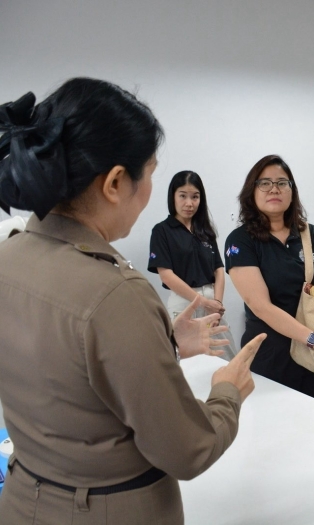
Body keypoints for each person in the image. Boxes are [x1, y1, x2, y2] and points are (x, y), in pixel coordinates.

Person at [0, 78, 264, 524]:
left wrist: (164, 344)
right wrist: (227, 393)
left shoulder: (11, 257)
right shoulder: (115, 293)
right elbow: (187, 449)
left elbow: (61, 368)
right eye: (153, 173)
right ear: (116, 182)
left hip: (26, 497)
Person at [226, 154, 314, 403]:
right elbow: (262, 307)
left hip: (312, 357)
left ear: (292, 191)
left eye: (282, 182)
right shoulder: (240, 241)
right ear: (252, 191)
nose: (274, 189)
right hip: (271, 356)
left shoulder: (308, 233)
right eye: (265, 183)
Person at [149, 170, 236, 359]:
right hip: (183, 303)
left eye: (195, 197)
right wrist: (203, 302)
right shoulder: (162, 231)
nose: (189, 203)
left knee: (225, 357)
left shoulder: (205, 229)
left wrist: (217, 303)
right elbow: (166, 275)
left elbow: (219, 269)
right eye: (183, 196)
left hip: (212, 301)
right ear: (173, 196)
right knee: (184, 363)